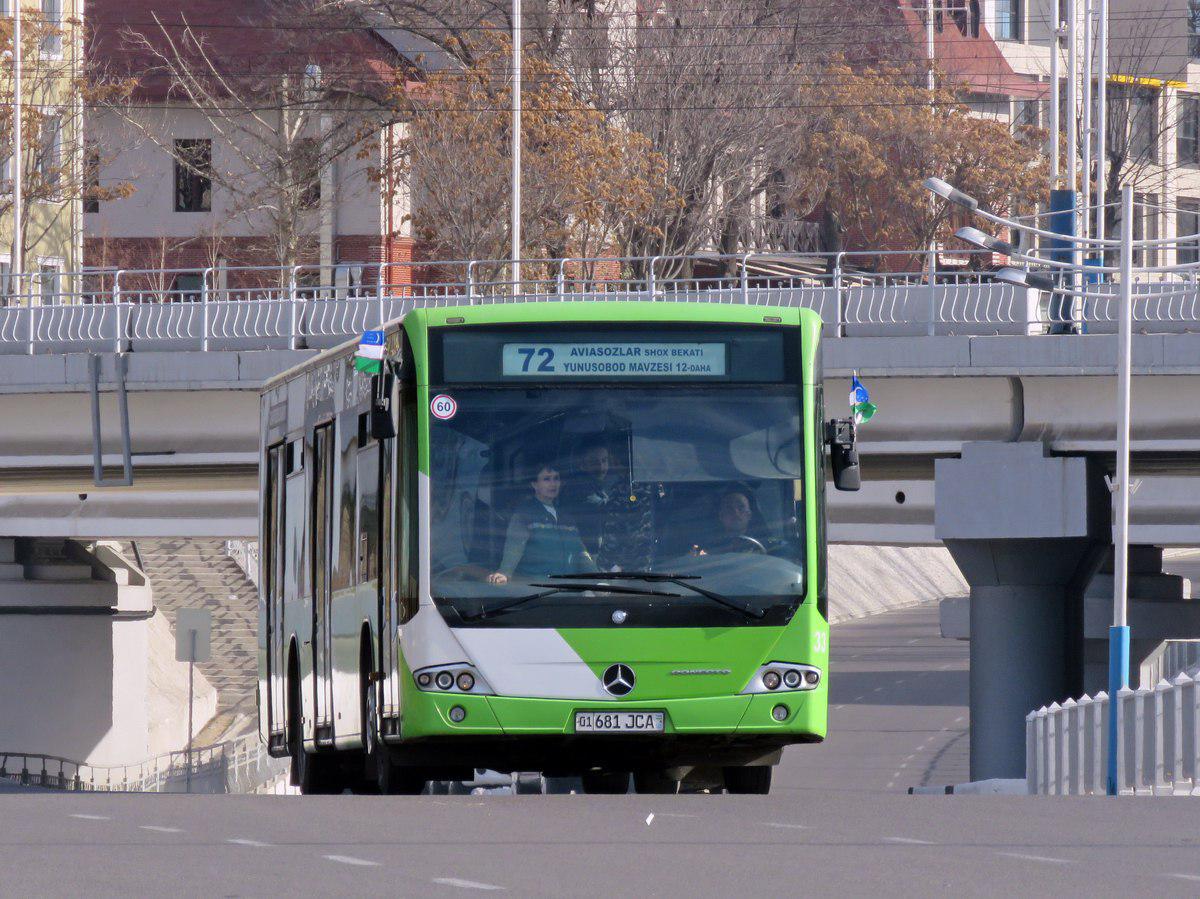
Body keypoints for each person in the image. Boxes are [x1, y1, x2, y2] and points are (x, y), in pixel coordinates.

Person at [488, 461, 594, 584]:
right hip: (537, 593)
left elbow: (580, 552)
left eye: (556, 478)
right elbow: (514, 547)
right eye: (547, 479)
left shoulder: (567, 517)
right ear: (534, 484)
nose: (553, 483)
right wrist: (505, 572)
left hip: (568, 593)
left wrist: (597, 580)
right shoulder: (525, 514)